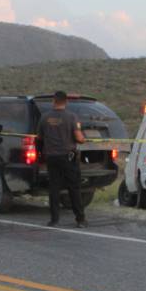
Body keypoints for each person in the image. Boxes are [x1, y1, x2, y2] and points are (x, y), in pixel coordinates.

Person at [38, 91, 87, 228]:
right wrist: (83, 139)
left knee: (54, 188)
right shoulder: (72, 117)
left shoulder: (44, 117)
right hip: (68, 157)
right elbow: (78, 138)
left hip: (52, 157)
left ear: (54, 101)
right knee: (74, 188)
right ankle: (80, 219)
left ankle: (54, 220)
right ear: (66, 102)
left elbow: (40, 138)